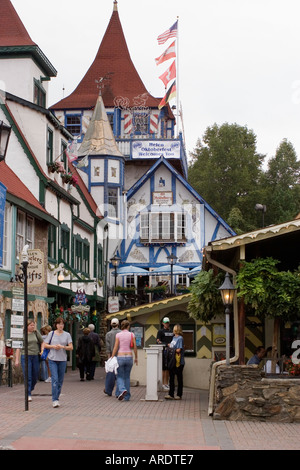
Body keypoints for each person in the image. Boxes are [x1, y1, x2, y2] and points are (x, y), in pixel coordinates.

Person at [43, 317, 73, 408]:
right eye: (59, 324)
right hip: (53, 359)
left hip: (62, 360)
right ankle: (54, 400)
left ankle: (57, 396)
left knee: (60, 381)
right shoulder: (51, 334)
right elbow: (45, 344)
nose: (61, 326)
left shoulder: (67, 335)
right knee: (55, 379)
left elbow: (71, 347)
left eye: (62, 324)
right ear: (56, 325)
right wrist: (53, 346)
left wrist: (63, 347)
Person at [15, 319, 44, 401]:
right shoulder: (22, 335)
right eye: (31, 325)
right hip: (26, 356)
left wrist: (42, 350)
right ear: (27, 326)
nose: (33, 326)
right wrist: (17, 360)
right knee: (28, 375)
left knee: (35, 375)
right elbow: (18, 348)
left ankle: (30, 388)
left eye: (33, 325)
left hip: (35, 356)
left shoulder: (36, 333)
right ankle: (28, 393)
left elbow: (42, 342)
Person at [111, 319, 138, 401]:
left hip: (120, 357)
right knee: (127, 377)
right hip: (129, 357)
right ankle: (127, 396)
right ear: (128, 326)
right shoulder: (131, 334)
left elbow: (116, 347)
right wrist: (136, 357)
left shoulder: (118, 335)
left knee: (119, 376)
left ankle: (122, 390)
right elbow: (135, 347)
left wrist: (112, 356)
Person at [165, 324, 185, 400]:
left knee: (179, 378)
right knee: (171, 377)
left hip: (179, 361)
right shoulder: (174, 337)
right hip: (173, 360)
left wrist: (171, 347)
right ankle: (171, 394)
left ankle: (179, 394)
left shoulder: (180, 338)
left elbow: (179, 349)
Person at [104, 318, 121, 396]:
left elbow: (107, 347)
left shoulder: (108, 334)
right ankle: (119, 391)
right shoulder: (121, 333)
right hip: (121, 355)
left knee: (111, 373)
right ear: (118, 324)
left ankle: (108, 390)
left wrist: (109, 357)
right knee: (120, 374)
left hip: (112, 355)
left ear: (111, 324)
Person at [156, 317, 174, 390]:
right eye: (165, 323)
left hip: (171, 351)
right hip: (163, 351)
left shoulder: (171, 331)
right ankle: (163, 383)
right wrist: (167, 344)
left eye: (168, 322)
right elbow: (158, 341)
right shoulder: (160, 331)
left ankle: (167, 383)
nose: (167, 324)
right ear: (163, 323)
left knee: (168, 368)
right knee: (164, 368)